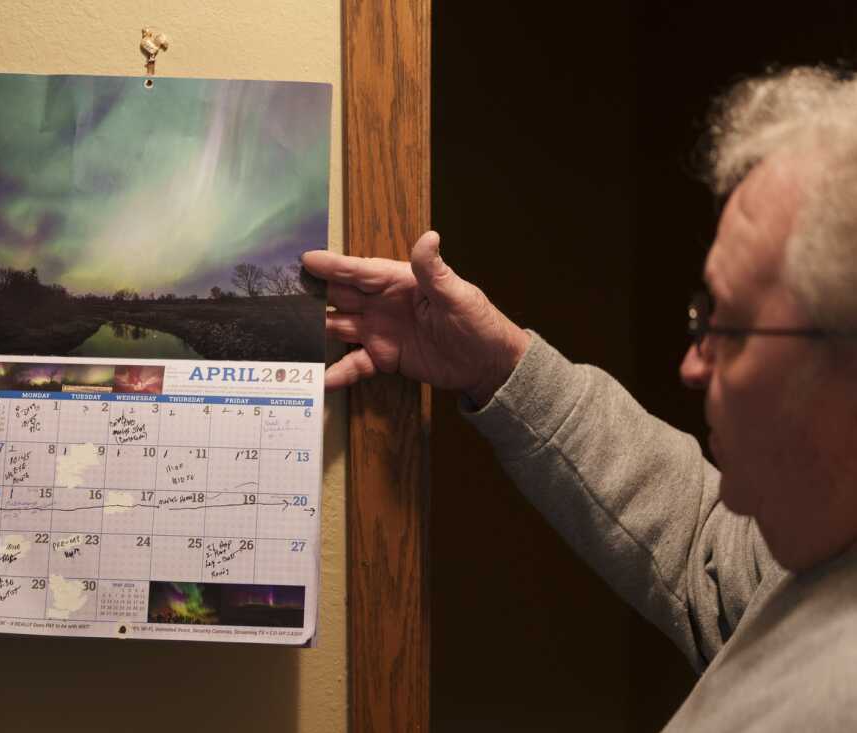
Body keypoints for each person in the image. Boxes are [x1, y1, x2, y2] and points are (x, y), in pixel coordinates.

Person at [302, 66, 857, 731]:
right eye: (699, 316)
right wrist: (501, 363)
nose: (691, 363)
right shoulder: (817, 530)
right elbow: (703, 552)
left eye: (729, 326)